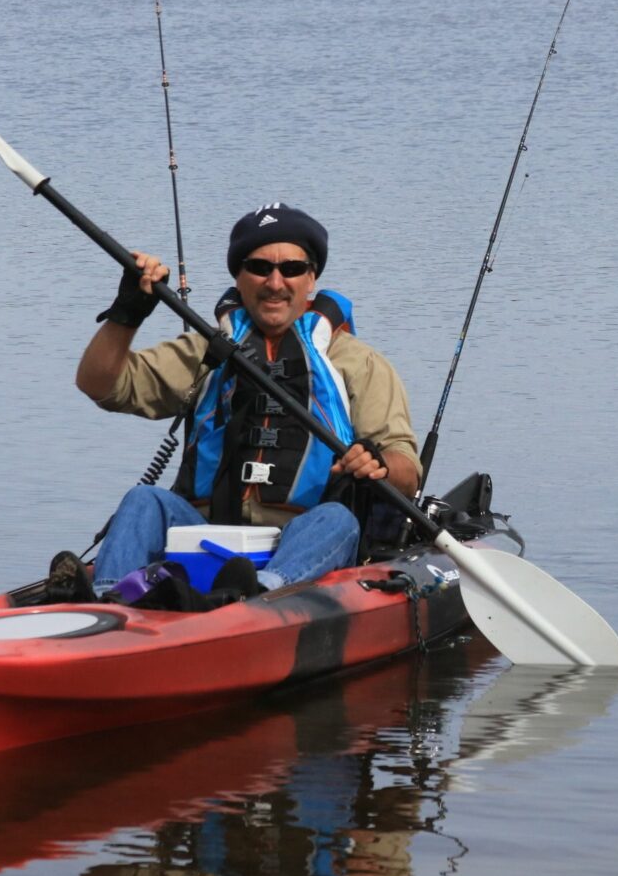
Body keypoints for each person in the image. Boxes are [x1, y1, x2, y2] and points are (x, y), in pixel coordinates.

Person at [56, 203, 421, 603]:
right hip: (204, 534)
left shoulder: (359, 363)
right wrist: (127, 313)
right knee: (145, 500)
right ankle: (112, 601)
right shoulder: (205, 352)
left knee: (337, 519)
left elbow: (407, 472)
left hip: (301, 539)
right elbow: (99, 385)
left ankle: (256, 595)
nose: (275, 282)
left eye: (292, 269)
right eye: (260, 267)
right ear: (239, 276)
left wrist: (378, 464)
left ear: (312, 278)